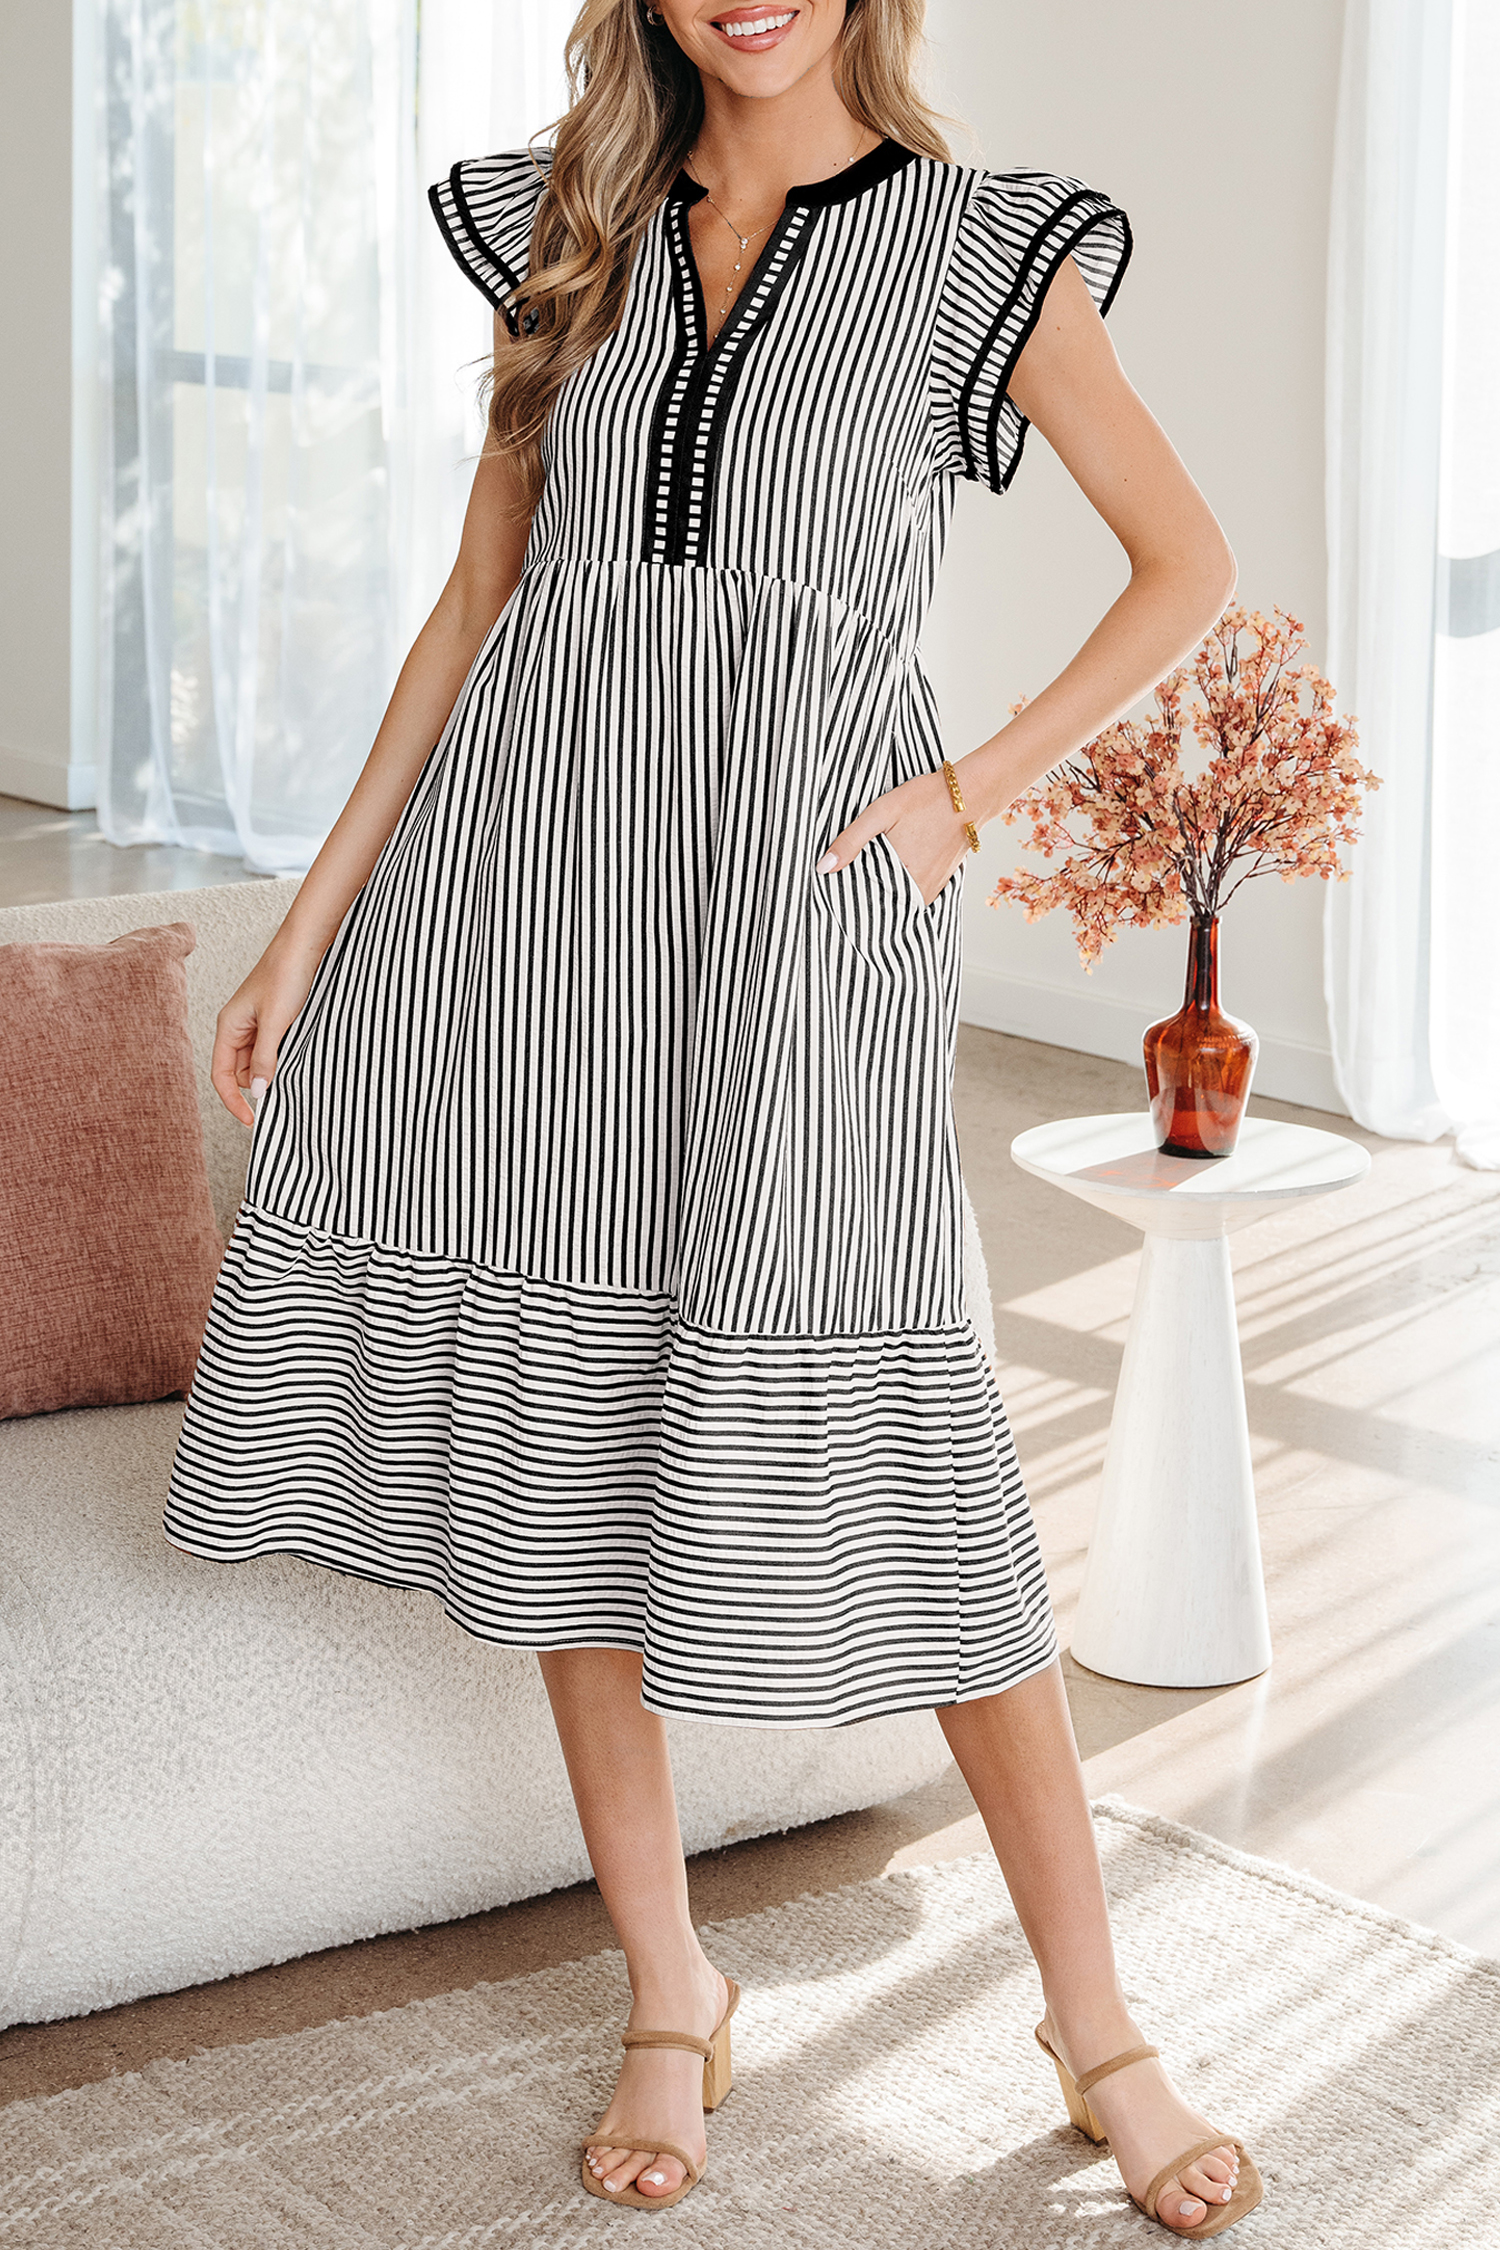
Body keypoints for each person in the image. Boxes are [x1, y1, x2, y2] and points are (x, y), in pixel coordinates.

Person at [164, 0, 1260, 2232]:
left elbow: (1188, 562)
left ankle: (1099, 2028)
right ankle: (672, 1984)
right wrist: (311, 919)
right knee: (572, 1441)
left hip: (798, 920)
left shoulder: (981, 250)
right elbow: (480, 600)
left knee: (922, 1466)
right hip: (522, 911)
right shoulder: (566, 224)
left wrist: (966, 793)